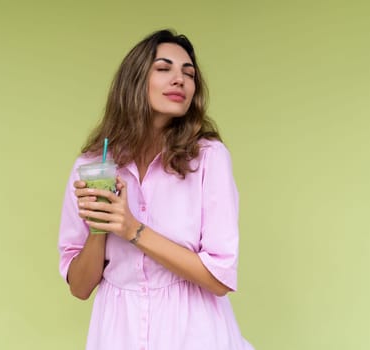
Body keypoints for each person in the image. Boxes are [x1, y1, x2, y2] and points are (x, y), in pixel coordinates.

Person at [58, 29, 254, 350]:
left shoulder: (208, 158)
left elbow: (220, 279)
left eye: (188, 74)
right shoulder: (92, 165)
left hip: (194, 334)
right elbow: (80, 288)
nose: (179, 79)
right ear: (134, 81)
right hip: (117, 334)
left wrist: (132, 228)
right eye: (164, 69)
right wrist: (100, 225)